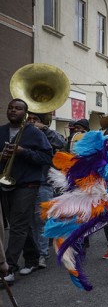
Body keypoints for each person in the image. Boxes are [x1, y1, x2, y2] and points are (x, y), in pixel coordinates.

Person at [0, 99, 53, 285]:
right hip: (6, 184)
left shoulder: (33, 133)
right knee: (20, 224)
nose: (13, 110)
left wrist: (23, 152)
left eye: (18, 108)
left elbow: (47, 157)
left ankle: (9, 268)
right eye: (11, 107)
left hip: (27, 184)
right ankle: (32, 258)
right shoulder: (1, 131)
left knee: (17, 225)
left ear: (25, 112)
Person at [25, 111, 65, 274]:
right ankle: (32, 255)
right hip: (24, 183)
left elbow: (61, 142)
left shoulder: (48, 134)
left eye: (36, 119)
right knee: (26, 222)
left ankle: (42, 254)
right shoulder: (23, 133)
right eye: (30, 119)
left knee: (40, 219)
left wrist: (45, 129)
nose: (32, 122)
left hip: (43, 183)